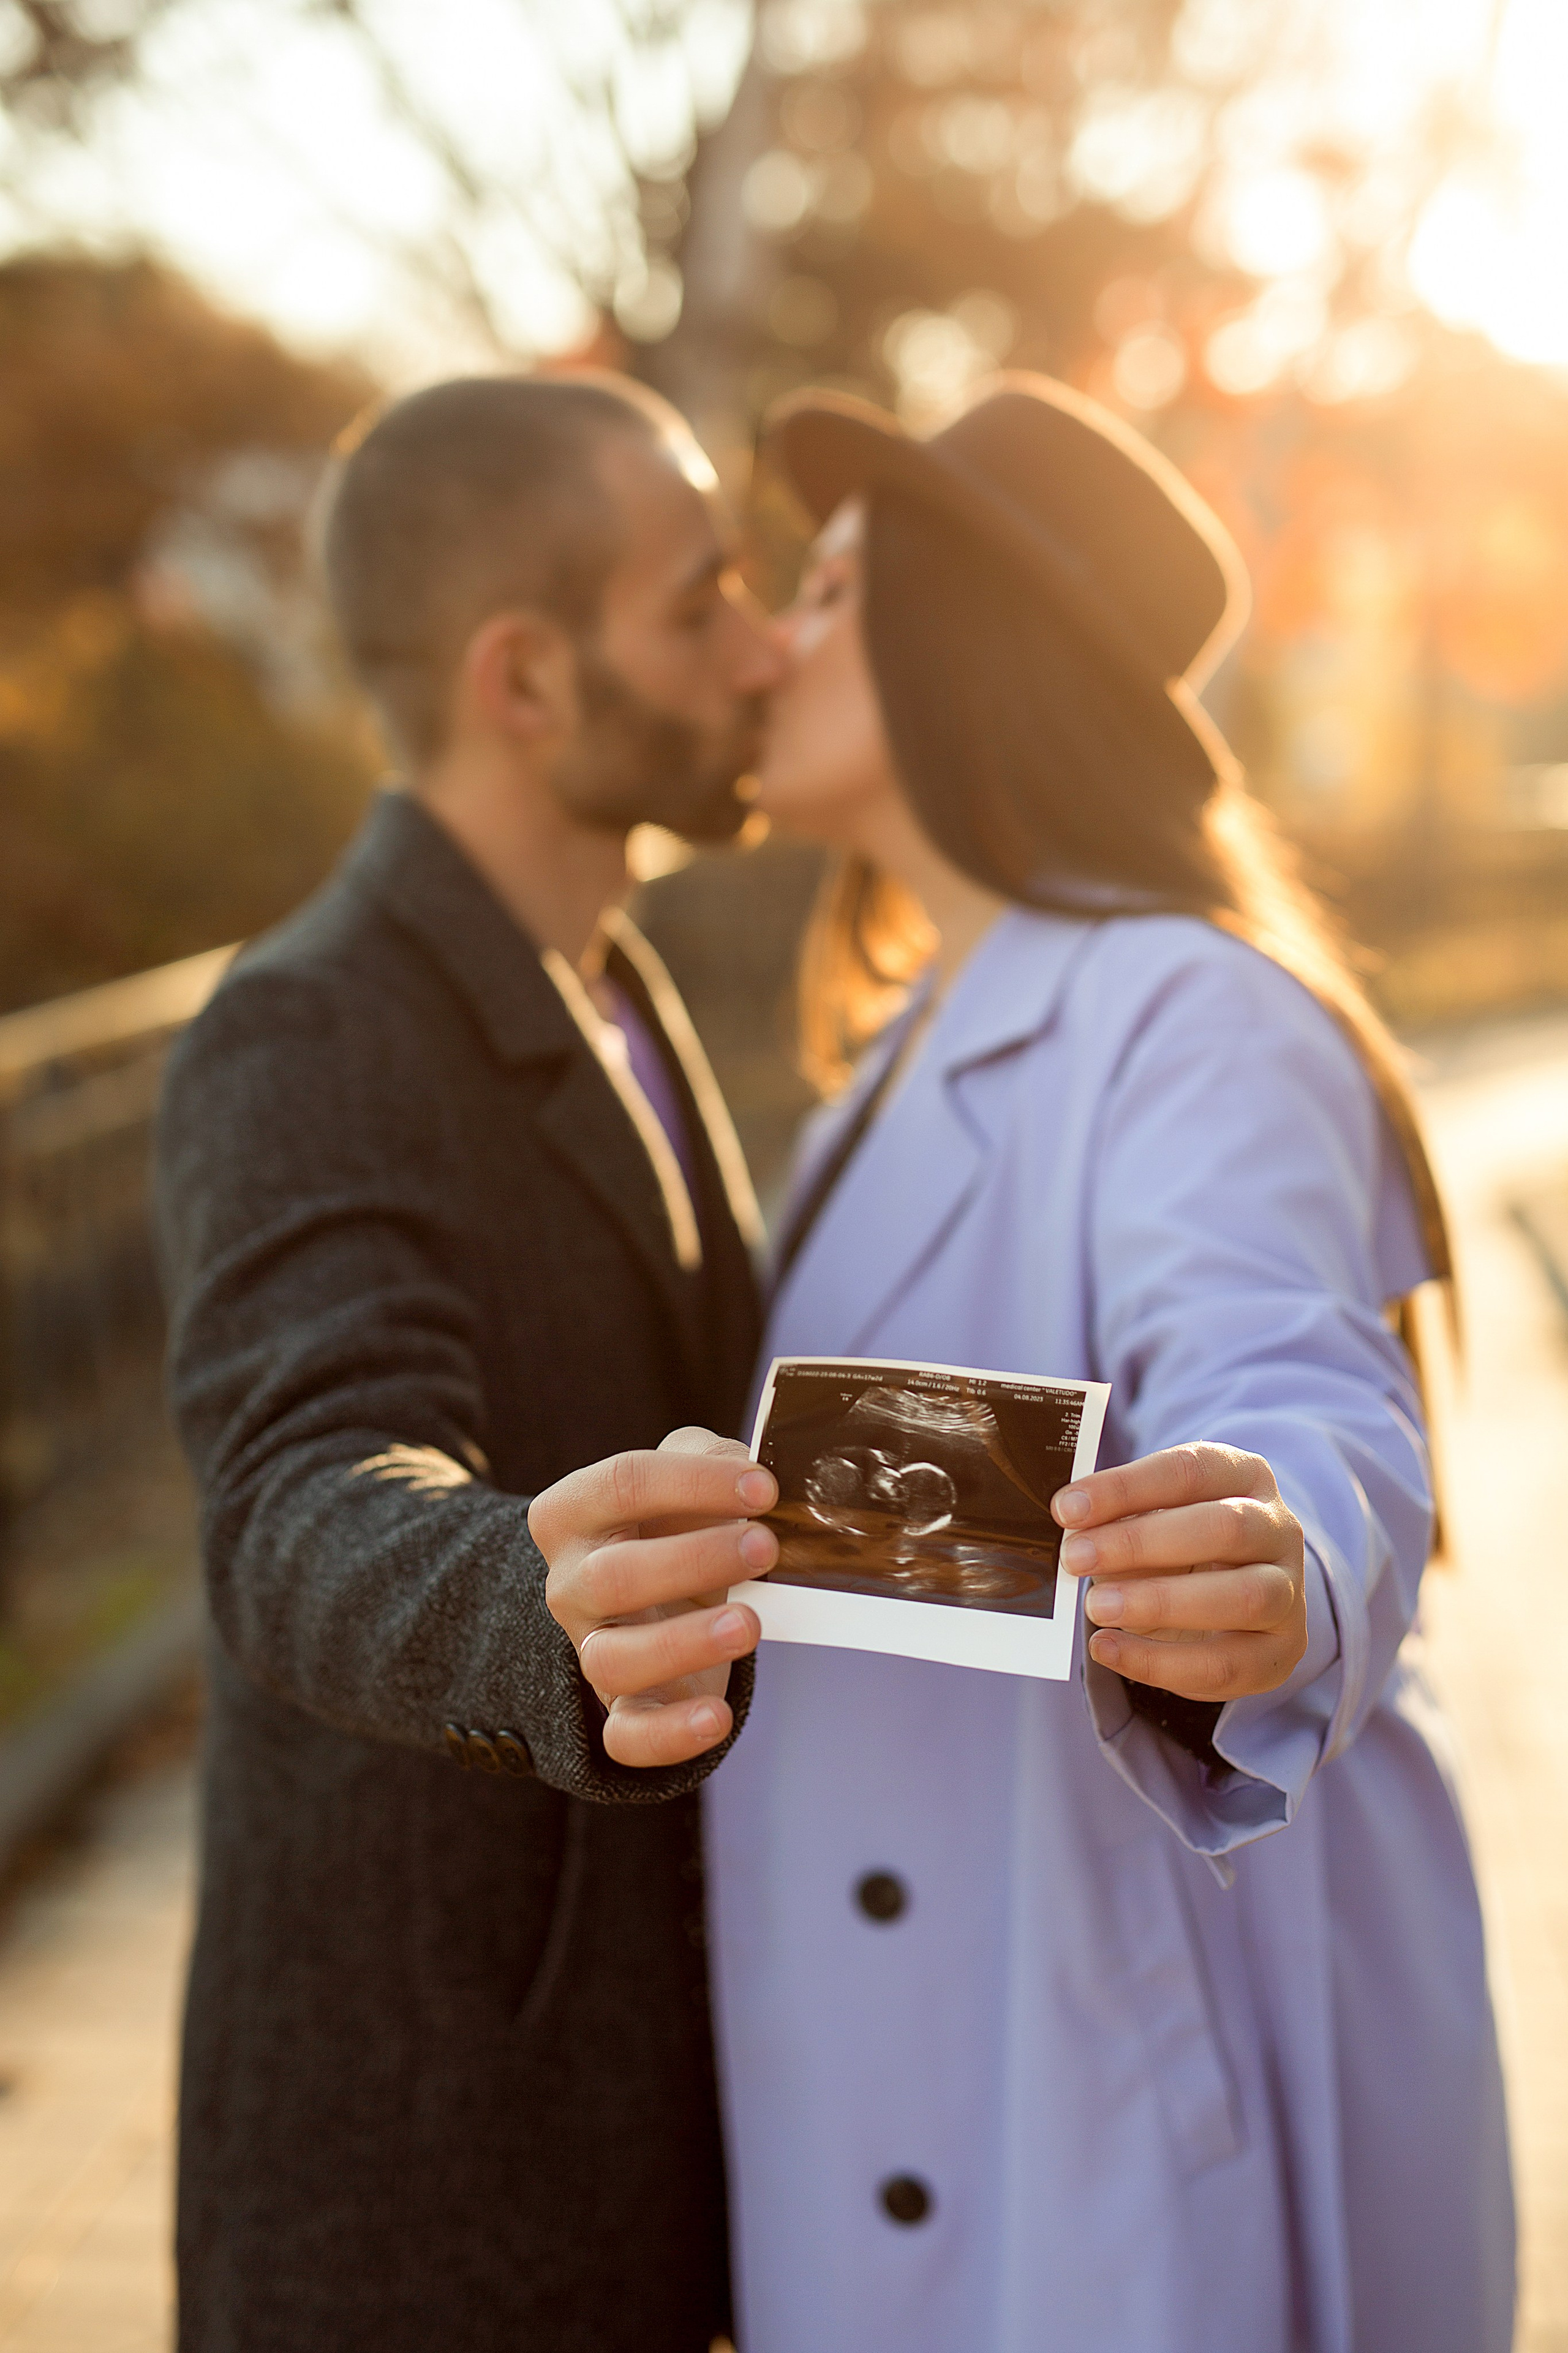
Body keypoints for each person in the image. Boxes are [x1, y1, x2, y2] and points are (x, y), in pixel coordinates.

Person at [530, 376, 1513, 2352]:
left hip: (1095, 2079)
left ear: (963, 639)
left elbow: (1291, 1381)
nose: (773, 641)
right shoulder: (907, 1037)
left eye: (827, 585)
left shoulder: (1184, 1007)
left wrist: (1285, 1545)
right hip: (926, 2038)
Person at [154, 370, 785, 2352]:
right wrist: (539, 1597)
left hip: (635, 2133)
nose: (760, 649)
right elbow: (305, 1491)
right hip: (427, 2195)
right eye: (701, 606)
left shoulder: (614, 977)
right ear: (528, 677)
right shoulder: (311, 1025)